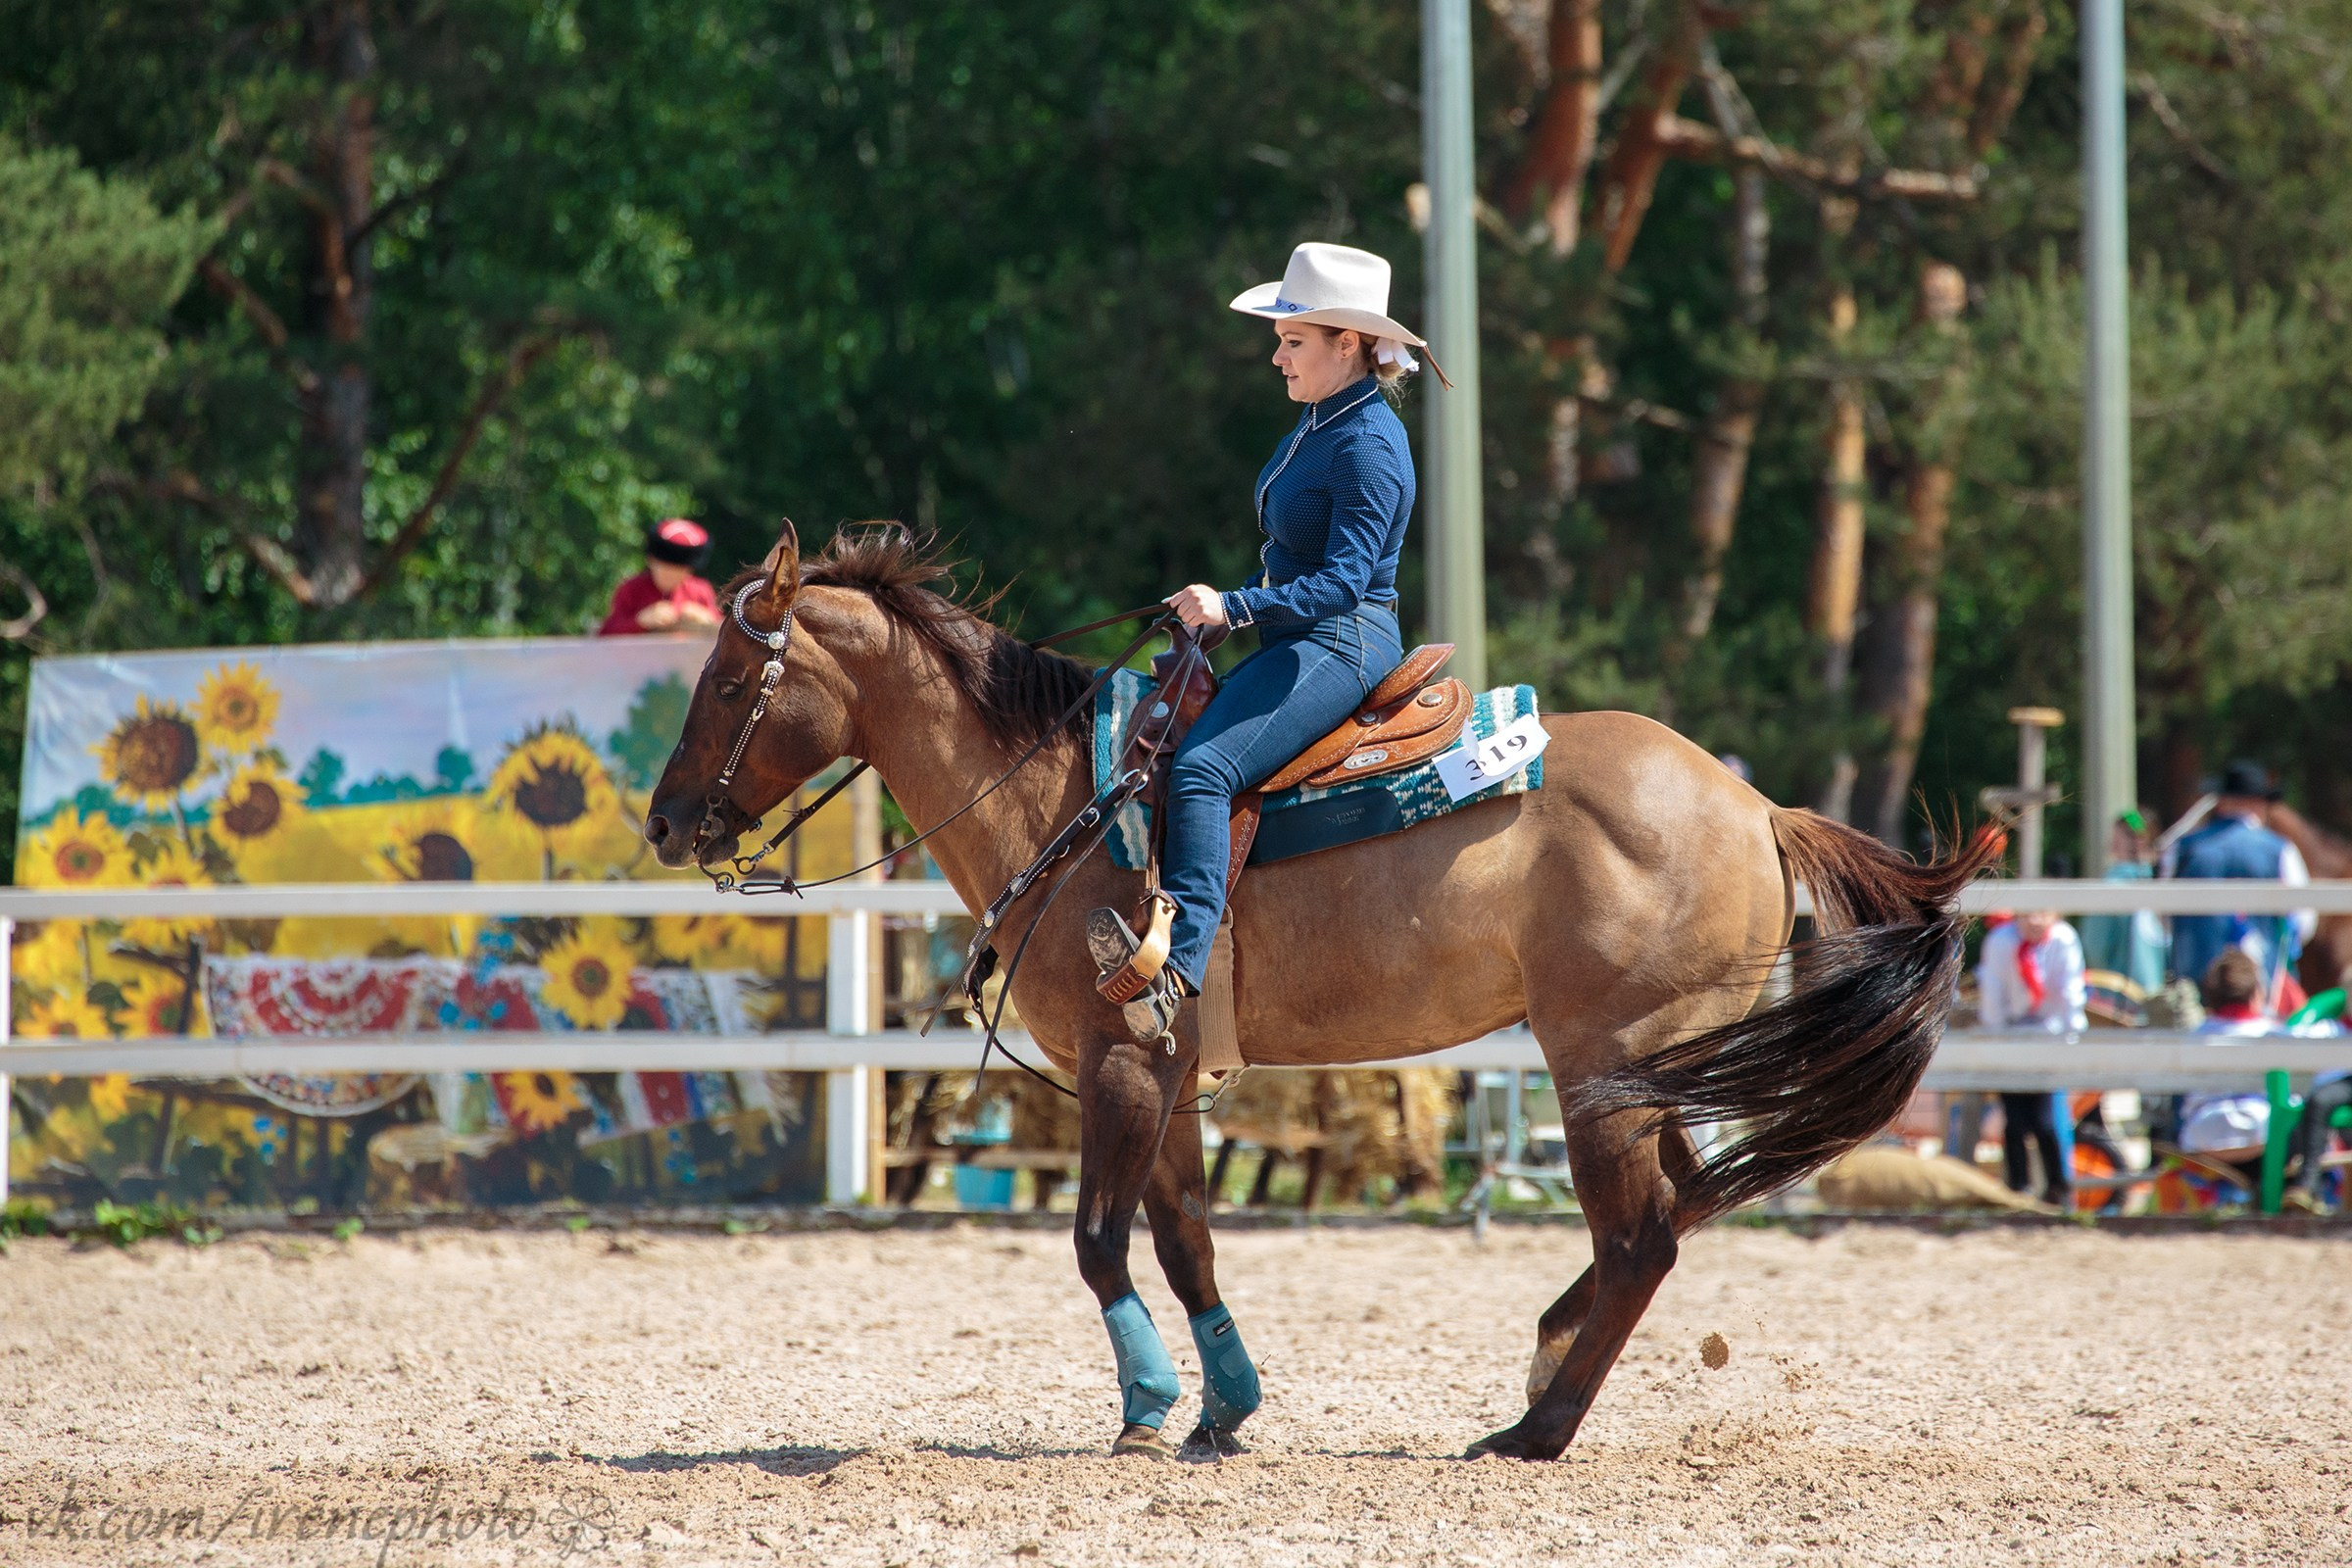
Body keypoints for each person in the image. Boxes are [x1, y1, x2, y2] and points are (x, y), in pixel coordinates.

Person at [1087, 242, 1425, 1029]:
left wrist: (1232, 608)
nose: (1276, 357)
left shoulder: (1367, 442)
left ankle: (1178, 970)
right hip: (1303, 636)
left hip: (1345, 639)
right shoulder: (1323, 419)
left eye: (1292, 340)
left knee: (1204, 770)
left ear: (1348, 343)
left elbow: (1345, 581)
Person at [2161, 761, 2313, 1011]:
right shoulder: (2280, 850)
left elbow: (2163, 919)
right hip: (2260, 990)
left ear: (2222, 802)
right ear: (2259, 804)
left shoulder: (2183, 849)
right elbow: (2302, 923)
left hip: (2193, 991)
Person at [1974, 908, 2086, 1204]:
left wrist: (2071, 1040)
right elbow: (1993, 996)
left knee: (2046, 1119)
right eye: (2027, 915)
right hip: (2010, 1033)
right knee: (2014, 1120)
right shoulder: (2001, 941)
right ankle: (2018, 1188)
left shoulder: (2063, 940)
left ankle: (2058, 1188)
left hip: (2049, 1035)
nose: (2034, 921)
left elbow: (2070, 992)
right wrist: (1999, 1046)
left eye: (2042, 914)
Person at [2178, 949, 2283, 1164]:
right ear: (2256, 993)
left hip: (2202, 1138)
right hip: (2260, 1136)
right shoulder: (2274, 1034)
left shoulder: (2195, 1036)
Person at [2077, 808, 2170, 997]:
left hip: (2119, 996)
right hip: (2161, 998)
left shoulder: (2112, 886)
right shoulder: (2162, 884)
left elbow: (2096, 945)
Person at [599, 518, 722, 636]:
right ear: (650, 561)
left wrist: (706, 619)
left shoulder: (700, 591)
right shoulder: (631, 589)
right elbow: (605, 634)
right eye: (665, 569)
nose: (671, 576)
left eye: (678, 572)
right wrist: (640, 621)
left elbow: (725, 633)